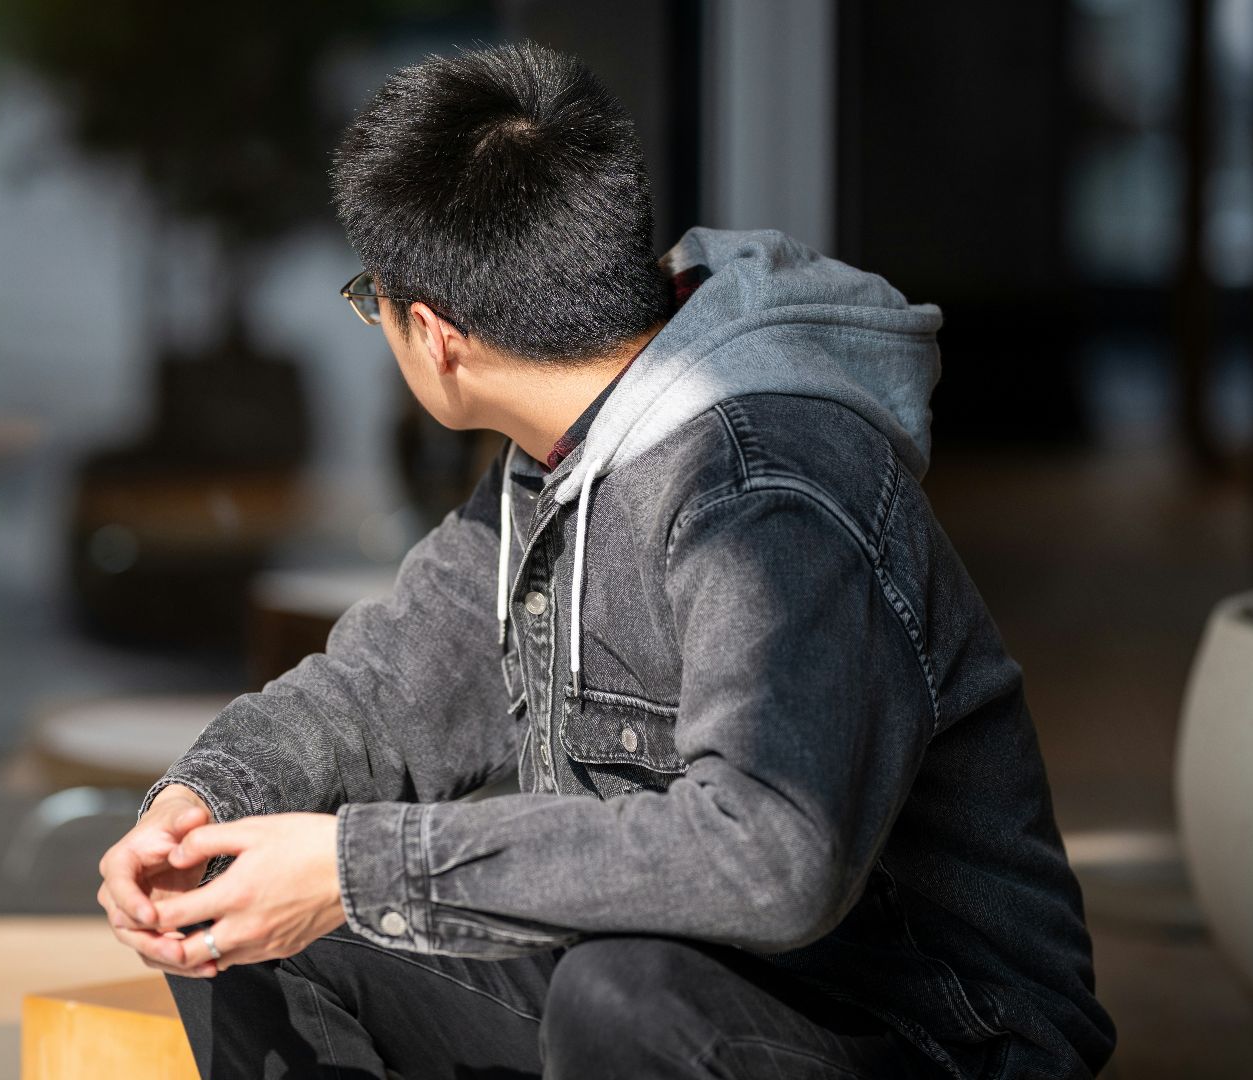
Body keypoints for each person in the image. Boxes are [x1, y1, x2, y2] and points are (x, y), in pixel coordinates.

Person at [97, 39, 1115, 1080]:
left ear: (435, 335)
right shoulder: (552, 463)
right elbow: (384, 688)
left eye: (374, 301)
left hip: (933, 1035)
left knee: (620, 998)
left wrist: (363, 868)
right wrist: (208, 803)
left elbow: (775, 855)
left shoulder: (772, 494)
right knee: (235, 912)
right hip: (700, 995)